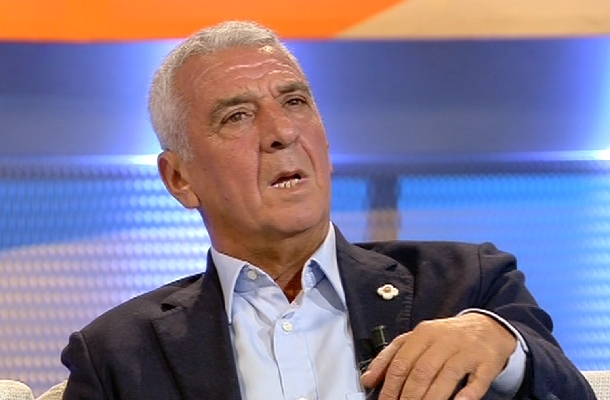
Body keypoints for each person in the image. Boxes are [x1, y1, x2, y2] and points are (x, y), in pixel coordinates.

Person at [60, 20, 596, 400]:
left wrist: (500, 343)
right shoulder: (117, 354)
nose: (282, 132)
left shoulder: (466, 284)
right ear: (179, 178)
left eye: (294, 102)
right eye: (237, 116)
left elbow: (567, 389)